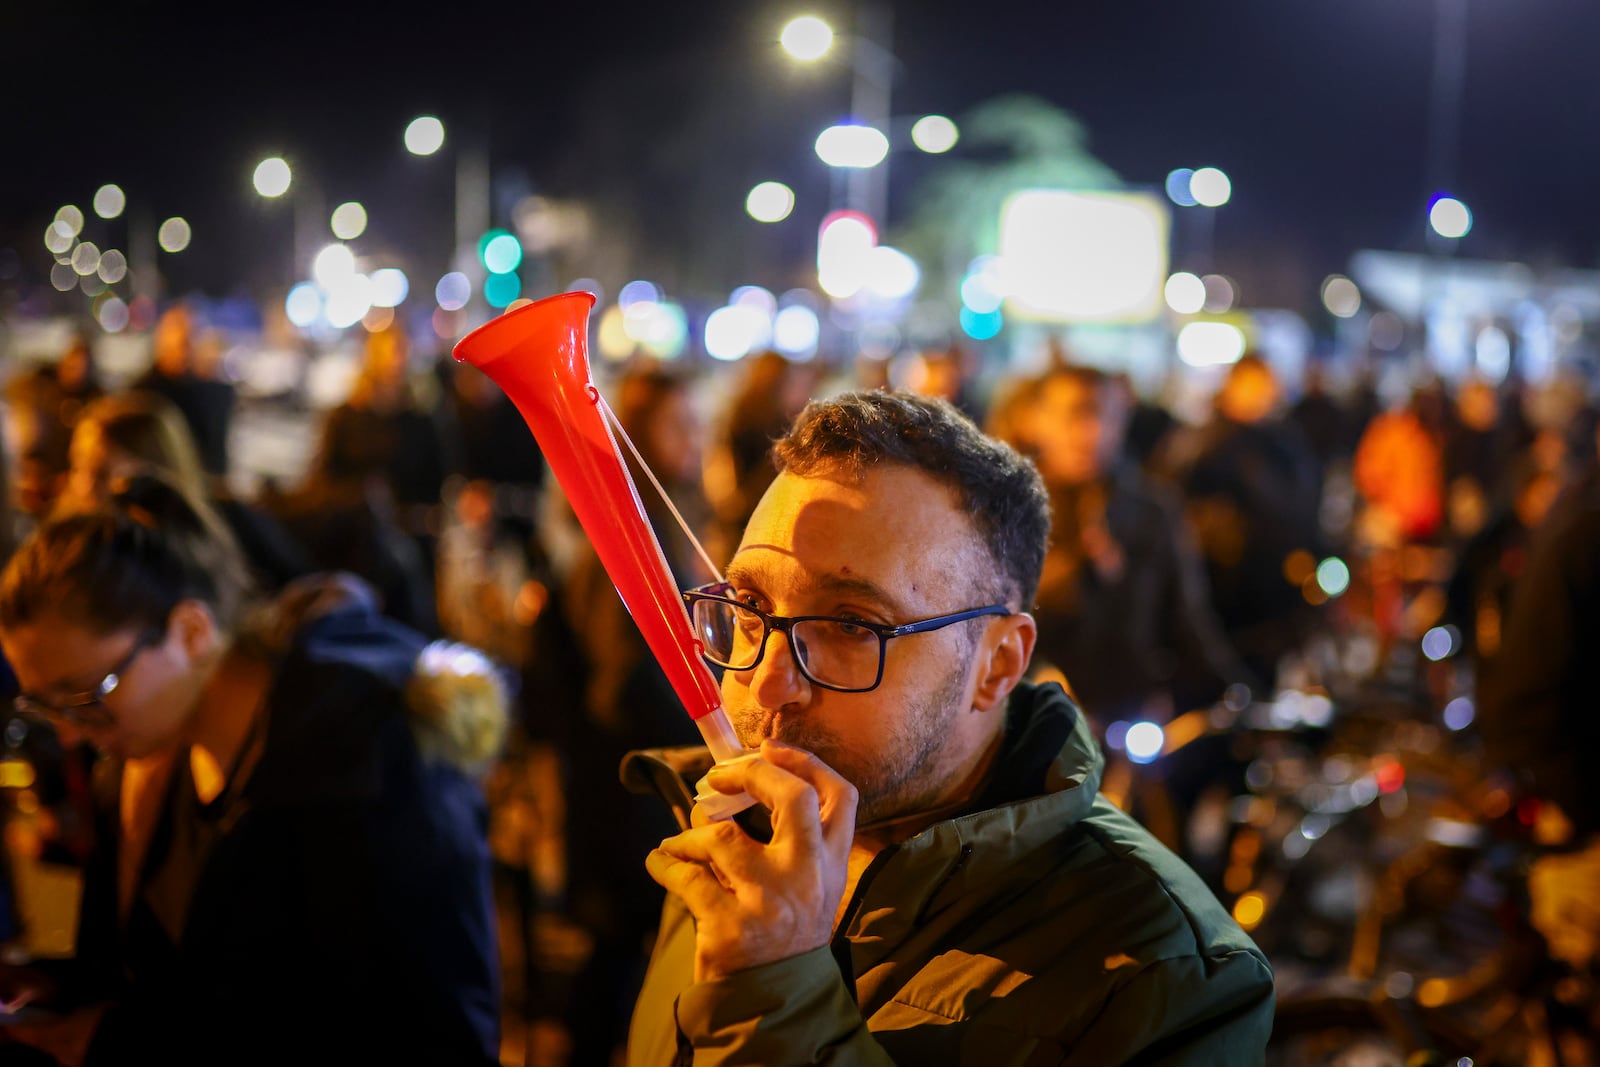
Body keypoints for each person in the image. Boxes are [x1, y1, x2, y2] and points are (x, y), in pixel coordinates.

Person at [627, 391, 1274, 1064]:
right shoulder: (729, 830)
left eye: (852, 625)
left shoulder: (1169, 981)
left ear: (996, 664)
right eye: (751, 607)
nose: (766, 682)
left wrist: (773, 994)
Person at [0, 475, 505, 1065]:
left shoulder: (368, 769)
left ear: (191, 631)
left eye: (86, 694)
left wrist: (121, 1043)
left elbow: (431, 1033)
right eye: (45, 707)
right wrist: (59, 990)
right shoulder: (153, 763)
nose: (67, 731)